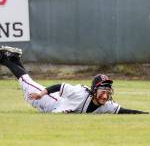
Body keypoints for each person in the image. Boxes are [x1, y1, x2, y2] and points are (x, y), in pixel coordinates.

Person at [0, 46, 149, 114]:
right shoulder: (80, 93)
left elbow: (124, 111)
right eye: (102, 91)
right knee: (27, 85)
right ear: (94, 90)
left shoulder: (107, 106)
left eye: (107, 92)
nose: (105, 95)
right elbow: (60, 85)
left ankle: (13, 58)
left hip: (54, 106)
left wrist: (144, 114)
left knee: (28, 83)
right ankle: (5, 59)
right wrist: (41, 94)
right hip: (51, 100)